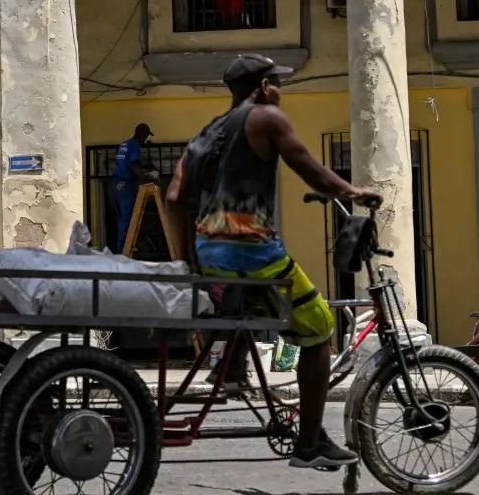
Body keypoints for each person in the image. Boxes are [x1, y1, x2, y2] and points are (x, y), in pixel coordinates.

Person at [166, 53, 381, 471]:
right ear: (263, 87)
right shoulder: (265, 117)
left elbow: (175, 198)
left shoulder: (206, 133)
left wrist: (188, 262)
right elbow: (310, 169)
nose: (280, 90)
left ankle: (231, 372)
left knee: (253, 307)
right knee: (320, 329)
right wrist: (355, 193)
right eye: (277, 83)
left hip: (212, 254)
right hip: (253, 252)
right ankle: (309, 444)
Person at [113, 123, 158, 252]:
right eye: (145, 136)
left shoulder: (124, 144)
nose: (145, 140)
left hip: (116, 184)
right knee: (128, 218)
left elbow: (127, 163)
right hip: (126, 184)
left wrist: (143, 168)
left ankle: (121, 248)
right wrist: (148, 177)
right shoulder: (135, 145)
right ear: (142, 134)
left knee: (122, 218)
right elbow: (134, 165)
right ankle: (125, 250)